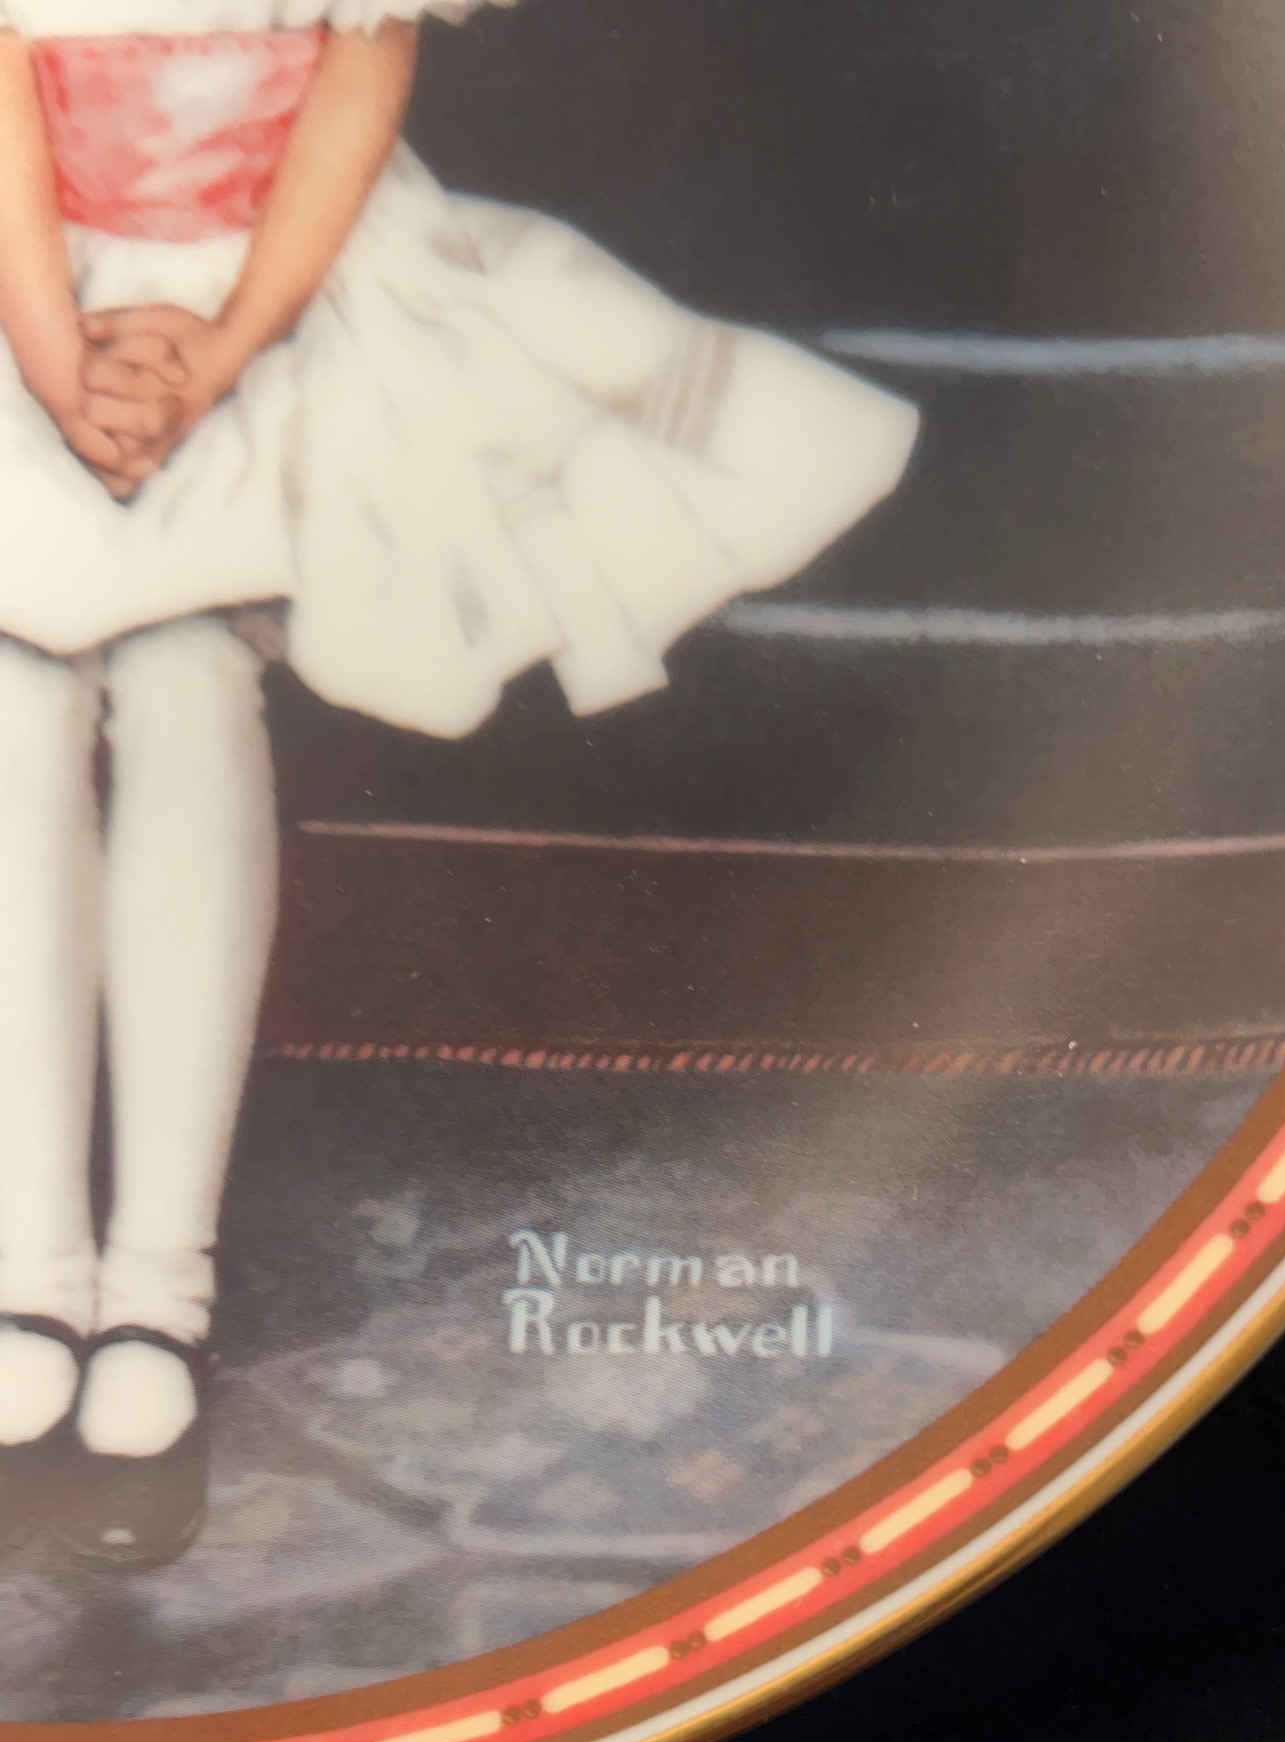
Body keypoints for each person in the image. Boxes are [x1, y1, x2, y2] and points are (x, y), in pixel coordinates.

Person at [0, 0, 920, 1570]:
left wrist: (217, 356)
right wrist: (56, 368)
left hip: (286, 295)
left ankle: (159, 1291)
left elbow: (361, 71)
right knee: (16, 695)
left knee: (186, 676)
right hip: (33, 285)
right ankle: (28, 1272)